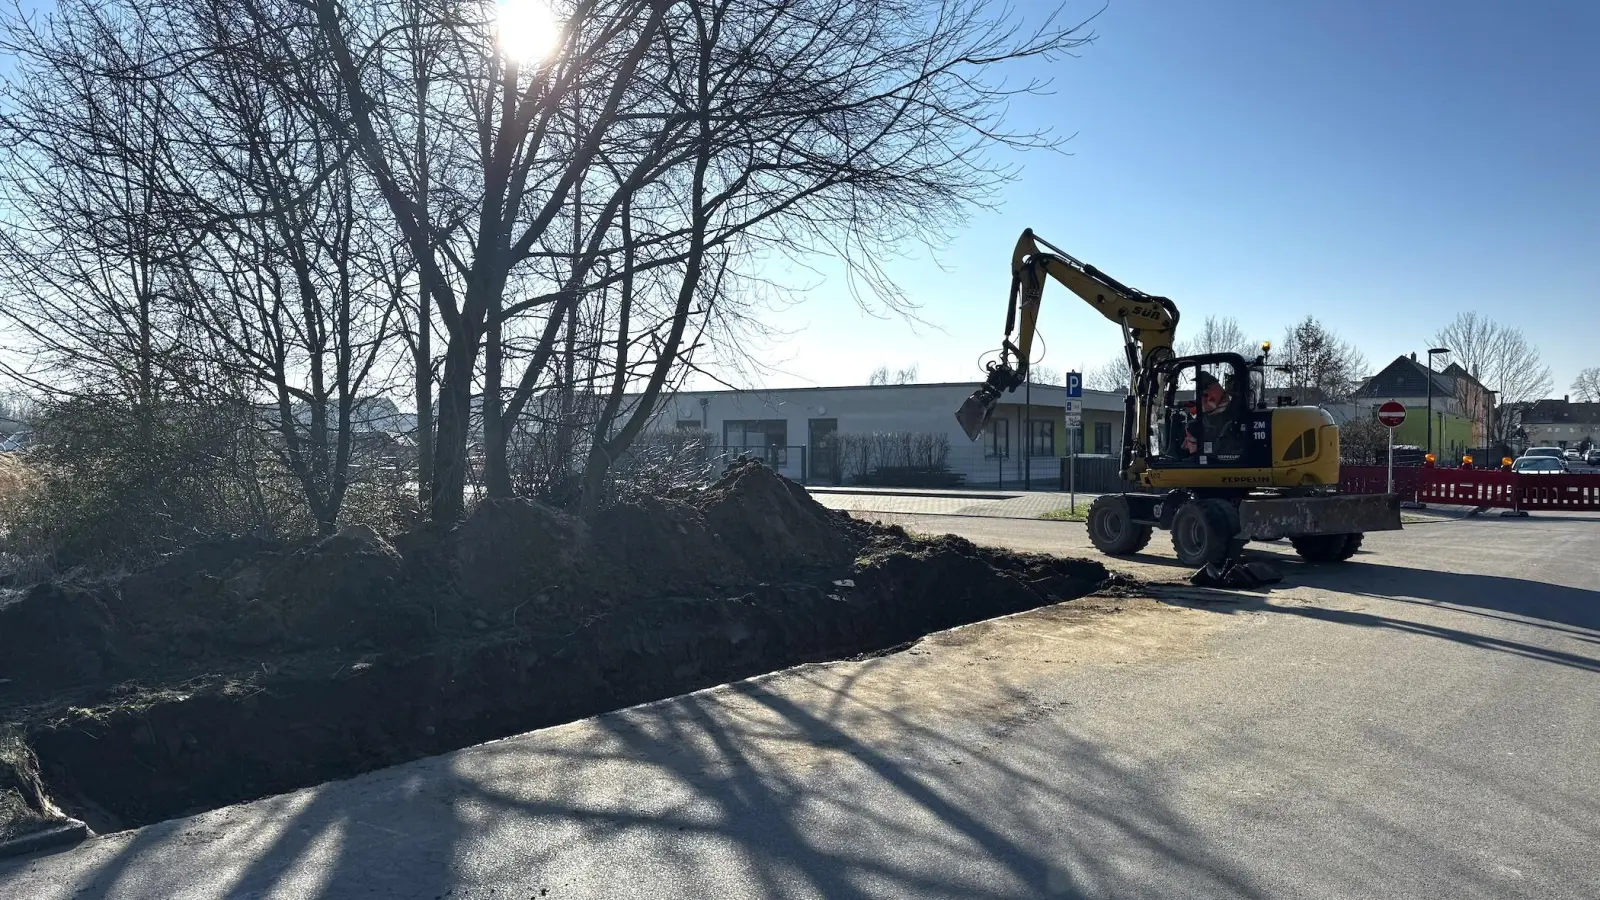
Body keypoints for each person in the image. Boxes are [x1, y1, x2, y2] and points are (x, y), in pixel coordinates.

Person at [1182, 371, 1232, 456]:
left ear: (1205, 380)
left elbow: (1210, 406)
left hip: (1217, 420)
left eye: (1199, 382)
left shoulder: (1215, 389)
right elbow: (1201, 402)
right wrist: (1185, 404)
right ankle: (1185, 451)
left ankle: (1194, 454)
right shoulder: (1210, 389)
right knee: (1191, 424)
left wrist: (1192, 410)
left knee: (1191, 426)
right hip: (1213, 418)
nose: (1198, 384)